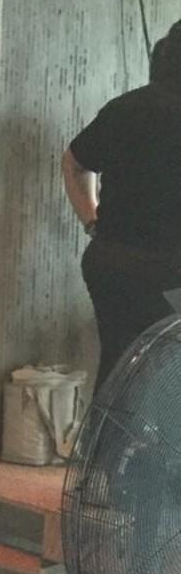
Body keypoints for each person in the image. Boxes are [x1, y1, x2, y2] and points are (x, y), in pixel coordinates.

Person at [63, 20, 181, 391]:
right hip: (170, 273)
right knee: (166, 379)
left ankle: (108, 429)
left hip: (114, 264)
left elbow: (74, 162)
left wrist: (91, 219)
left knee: (119, 368)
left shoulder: (125, 107)